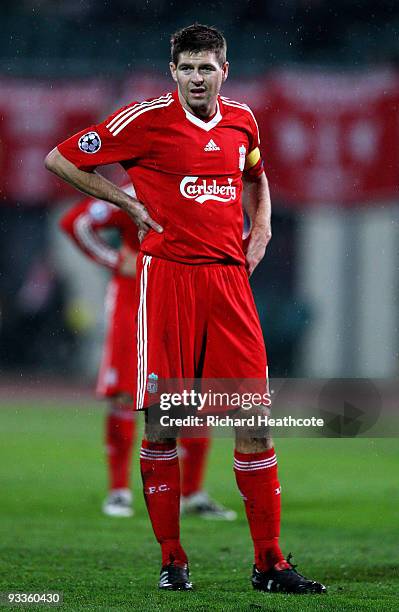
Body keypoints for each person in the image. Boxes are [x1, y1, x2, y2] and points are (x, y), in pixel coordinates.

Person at [45, 23, 326, 594]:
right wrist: (125, 199)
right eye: (188, 68)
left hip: (228, 284)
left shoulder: (242, 118)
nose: (198, 77)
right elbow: (61, 159)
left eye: (208, 67)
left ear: (226, 69)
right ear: (173, 71)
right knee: (165, 421)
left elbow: (254, 173)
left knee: (254, 422)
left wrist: (263, 224)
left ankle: (269, 564)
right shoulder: (143, 120)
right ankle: (173, 558)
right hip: (167, 282)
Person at [60, 187, 237, 520]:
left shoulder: (204, 188)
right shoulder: (132, 192)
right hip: (134, 299)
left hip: (187, 297)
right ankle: (119, 491)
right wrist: (114, 259)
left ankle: (192, 493)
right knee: (127, 392)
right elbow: (76, 221)